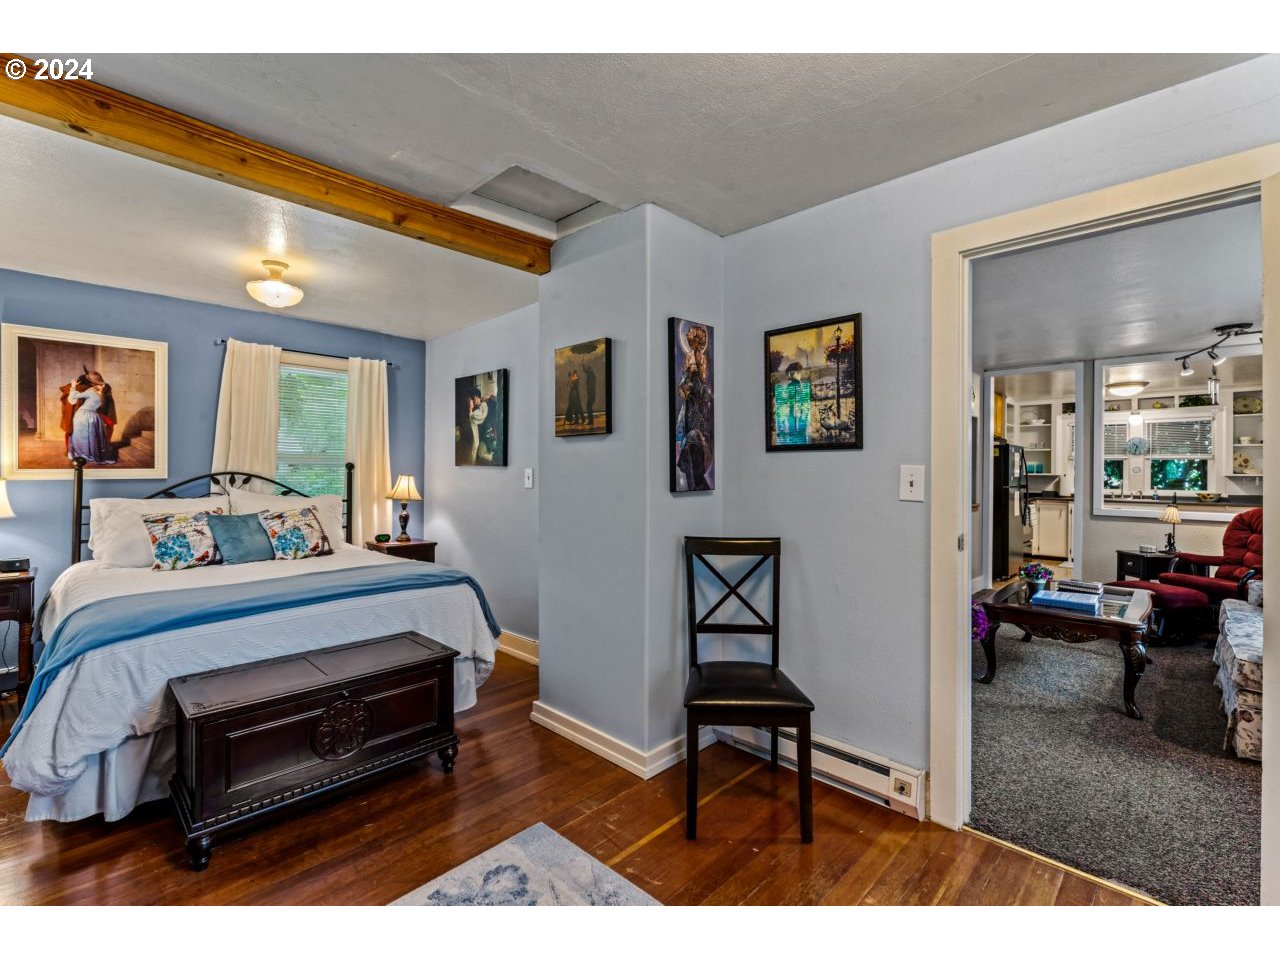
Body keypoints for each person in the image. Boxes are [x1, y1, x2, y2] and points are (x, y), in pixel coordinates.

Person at [66, 370, 116, 463]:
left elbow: (73, 397)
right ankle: (92, 454)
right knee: (91, 437)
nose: (95, 385)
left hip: (83, 415)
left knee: (82, 437)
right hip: (94, 416)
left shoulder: (91, 390)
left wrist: (73, 386)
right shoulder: (105, 394)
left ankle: (83, 454)